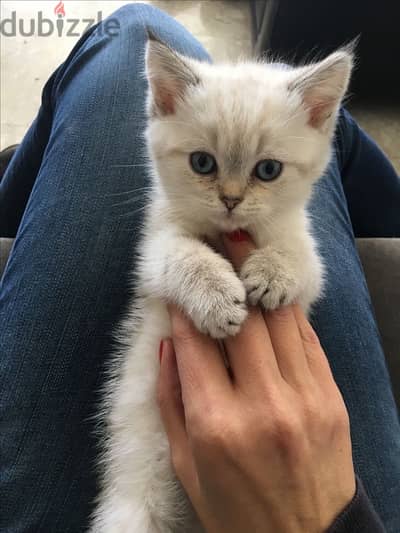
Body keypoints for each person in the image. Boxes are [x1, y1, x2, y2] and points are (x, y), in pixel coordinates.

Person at [0, 3, 399, 532]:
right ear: (163, 103)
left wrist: (281, 266)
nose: (232, 195)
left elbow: (303, 272)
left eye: (266, 170)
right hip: (153, 476)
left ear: (315, 120)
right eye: (204, 164)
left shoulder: (277, 212)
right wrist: (201, 272)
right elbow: (164, 260)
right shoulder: (176, 210)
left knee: (127, 33)